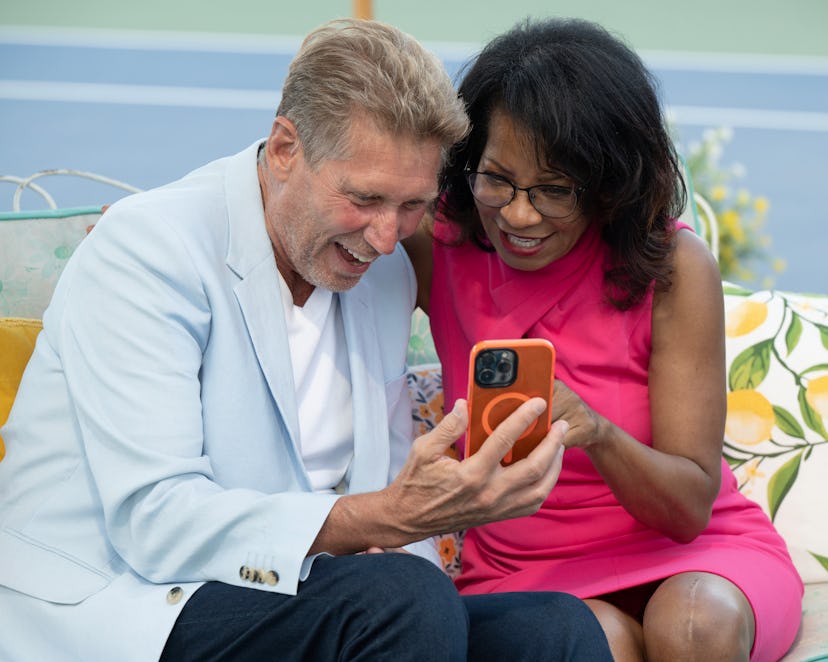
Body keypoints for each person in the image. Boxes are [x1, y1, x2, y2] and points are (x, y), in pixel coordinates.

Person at [0, 18, 613, 662]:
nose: (386, 235)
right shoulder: (150, 248)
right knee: (402, 600)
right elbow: (156, 523)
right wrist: (386, 520)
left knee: (554, 629)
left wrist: (421, 521)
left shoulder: (384, 274)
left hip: (288, 591)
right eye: (365, 197)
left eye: (412, 206)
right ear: (286, 148)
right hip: (120, 602)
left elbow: (395, 511)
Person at [404, 17, 803, 662]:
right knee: (590, 643)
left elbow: (687, 508)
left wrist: (597, 431)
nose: (519, 213)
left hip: (695, 555)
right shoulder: (441, 243)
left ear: (610, 182)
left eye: (554, 190)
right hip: (524, 574)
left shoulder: (671, 266)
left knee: (693, 628)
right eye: (497, 178)